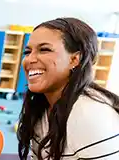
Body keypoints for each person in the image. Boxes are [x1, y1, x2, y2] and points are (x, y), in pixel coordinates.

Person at [17, 17, 119, 160]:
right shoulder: (41, 109)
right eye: (27, 52)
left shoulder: (91, 116)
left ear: (74, 59)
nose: (30, 59)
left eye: (44, 49)